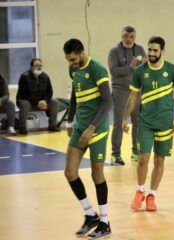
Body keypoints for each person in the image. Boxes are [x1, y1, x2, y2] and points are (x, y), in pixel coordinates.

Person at [122, 36, 174, 211]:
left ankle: (151, 195)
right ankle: (139, 191)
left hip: (166, 123)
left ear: (162, 51)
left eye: (155, 50)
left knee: (160, 159)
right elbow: (133, 96)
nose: (151, 53)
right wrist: (124, 118)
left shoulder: (172, 70)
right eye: (149, 50)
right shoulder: (140, 71)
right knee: (143, 158)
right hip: (145, 122)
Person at [63, 39, 112, 238]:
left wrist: (91, 128)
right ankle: (90, 214)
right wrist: (69, 120)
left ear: (81, 52)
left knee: (97, 174)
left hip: (97, 128)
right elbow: (75, 94)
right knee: (70, 172)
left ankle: (105, 221)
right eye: (69, 61)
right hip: (80, 127)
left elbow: (108, 101)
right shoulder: (73, 70)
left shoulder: (97, 69)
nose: (72, 64)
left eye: (74, 59)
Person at [108, 25, 146, 166]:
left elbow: (143, 69)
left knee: (138, 122)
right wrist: (130, 68)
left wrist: (146, 66)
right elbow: (113, 71)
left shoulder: (140, 50)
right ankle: (115, 155)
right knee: (119, 123)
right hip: (121, 89)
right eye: (126, 36)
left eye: (131, 37)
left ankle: (136, 151)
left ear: (135, 36)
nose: (129, 39)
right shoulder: (114, 51)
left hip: (137, 90)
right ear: (121, 36)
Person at [16, 58, 59, 135]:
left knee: (54, 102)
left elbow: (50, 92)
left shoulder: (45, 76)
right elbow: (24, 94)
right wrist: (37, 102)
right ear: (31, 66)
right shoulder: (24, 77)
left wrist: (45, 101)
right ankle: (22, 128)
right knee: (25, 104)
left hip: (42, 102)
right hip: (28, 101)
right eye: (36, 66)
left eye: (40, 65)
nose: (39, 67)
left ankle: (53, 125)